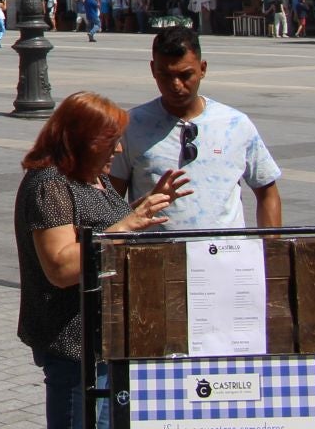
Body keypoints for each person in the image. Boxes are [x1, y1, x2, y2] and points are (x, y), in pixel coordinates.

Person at [17, 91, 189, 429]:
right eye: (111, 141)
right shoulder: (50, 183)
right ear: (83, 140)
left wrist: (143, 207)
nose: (119, 149)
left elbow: (103, 225)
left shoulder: (93, 177)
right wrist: (127, 225)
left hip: (108, 339)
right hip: (74, 343)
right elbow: (61, 267)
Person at [113, 26, 282, 230]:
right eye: (165, 75)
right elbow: (111, 201)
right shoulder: (132, 125)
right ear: (152, 69)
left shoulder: (236, 124)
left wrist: (271, 245)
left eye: (185, 75)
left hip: (225, 250)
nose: (176, 85)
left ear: (202, 69)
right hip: (156, 250)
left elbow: (267, 192)